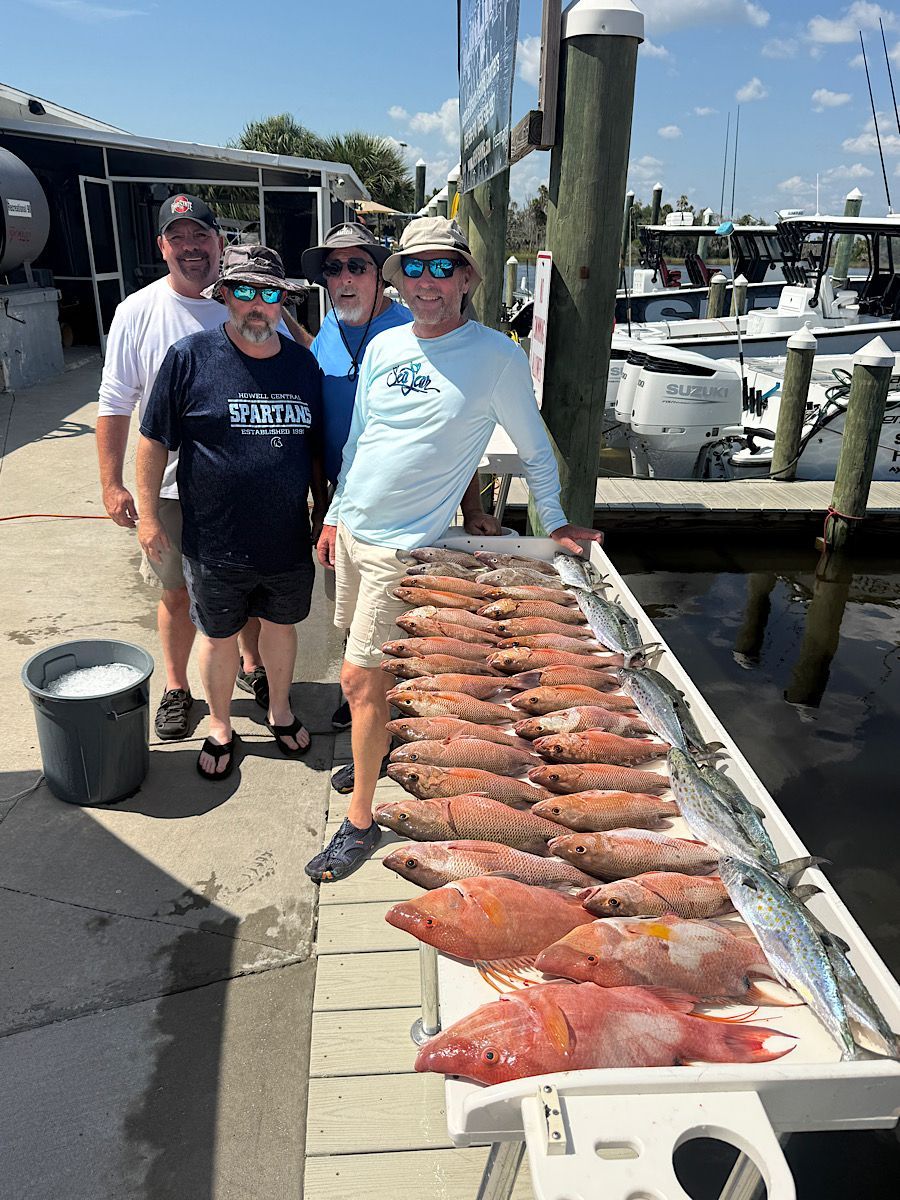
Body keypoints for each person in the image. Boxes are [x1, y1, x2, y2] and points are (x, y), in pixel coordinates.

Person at [305, 217, 601, 882]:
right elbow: (360, 441)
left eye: (443, 267)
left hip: (405, 551)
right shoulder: (384, 344)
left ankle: (360, 821)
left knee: (358, 680)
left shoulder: (496, 357)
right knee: (369, 672)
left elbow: (537, 451)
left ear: (467, 277)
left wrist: (554, 522)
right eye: (413, 268)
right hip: (352, 534)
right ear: (398, 280)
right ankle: (379, 750)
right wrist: (333, 516)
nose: (426, 282)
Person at [97, 194, 293, 739]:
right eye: (177, 237)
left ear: (219, 243)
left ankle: (251, 666)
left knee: (246, 589)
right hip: (168, 489)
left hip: (239, 488)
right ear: (161, 246)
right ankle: (178, 686)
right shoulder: (136, 310)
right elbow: (114, 402)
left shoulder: (244, 299)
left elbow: (298, 361)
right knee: (178, 593)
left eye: (200, 235)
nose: (190, 247)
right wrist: (113, 485)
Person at [301, 222, 501, 742]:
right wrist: (326, 509)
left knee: (403, 636)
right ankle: (365, 707)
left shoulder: (417, 323)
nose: (344, 278)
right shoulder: (327, 330)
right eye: (333, 268)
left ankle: (393, 731)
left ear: (382, 275)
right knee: (352, 620)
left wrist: (473, 508)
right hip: (347, 508)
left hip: (403, 522)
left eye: (357, 265)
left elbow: (458, 431)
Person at [136, 246, 324, 780]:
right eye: (244, 291)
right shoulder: (189, 357)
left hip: (286, 538)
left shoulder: (303, 364)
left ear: (282, 301)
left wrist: (322, 507)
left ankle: (280, 710)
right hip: (213, 542)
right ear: (224, 295)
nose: (257, 305)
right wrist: (148, 516)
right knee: (218, 636)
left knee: (281, 628)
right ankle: (220, 724)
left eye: (269, 293)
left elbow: (314, 448)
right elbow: (152, 441)